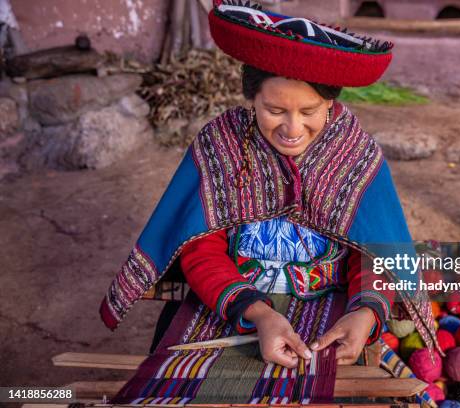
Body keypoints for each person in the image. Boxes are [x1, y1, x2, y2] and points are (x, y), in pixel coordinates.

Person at [100, 1, 437, 403]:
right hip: (230, 300)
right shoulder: (222, 145)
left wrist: (364, 313)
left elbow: (373, 251)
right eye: (274, 110)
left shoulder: (354, 153)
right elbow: (199, 246)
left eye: (309, 111)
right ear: (251, 99)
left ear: (330, 103)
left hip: (325, 312)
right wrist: (258, 314)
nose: (293, 129)